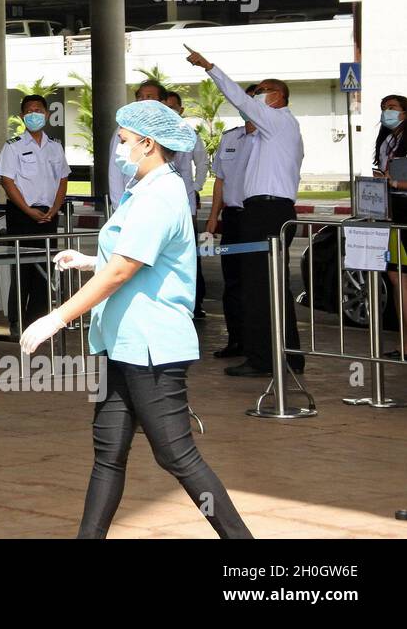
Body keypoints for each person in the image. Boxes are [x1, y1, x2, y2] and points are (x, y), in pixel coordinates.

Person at [22, 100, 252, 539]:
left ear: (148, 144)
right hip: (121, 343)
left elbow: (126, 269)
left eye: (124, 141)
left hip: (151, 347)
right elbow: (132, 257)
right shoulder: (142, 190)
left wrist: (58, 317)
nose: (118, 149)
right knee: (108, 453)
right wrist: (92, 260)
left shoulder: (162, 194)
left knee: (176, 456)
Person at [185, 47, 305, 377]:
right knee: (274, 287)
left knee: (258, 287)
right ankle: (289, 357)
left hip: (267, 212)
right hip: (268, 210)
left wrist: (209, 66)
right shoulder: (272, 132)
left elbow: (239, 98)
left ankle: (262, 360)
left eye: (264, 91)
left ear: (278, 96)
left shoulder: (277, 121)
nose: (258, 97)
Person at [0, 95, 70, 331]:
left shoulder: (55, 146)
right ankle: (17, 320)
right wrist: (28, 210)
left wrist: (54, 209)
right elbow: (8, 182)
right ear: (22, 117)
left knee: (45, 268)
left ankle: (38, 320)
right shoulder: (13, 146)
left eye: (38, 110)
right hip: (22, 215)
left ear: (47, 114)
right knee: (22, 269)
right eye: (29, 111)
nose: (34, 114)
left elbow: (62, 179)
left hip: (48, 215)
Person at [204, 85, 258, 359]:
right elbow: (220, 181)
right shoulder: (230, 138)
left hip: (258, 217)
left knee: (257, 283)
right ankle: (236, 340)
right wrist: (214, 216)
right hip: (234, 217)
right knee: (233, 283)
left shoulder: (268, 138)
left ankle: (257, 344)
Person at [163, 91, 210, 320]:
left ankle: (195, 301)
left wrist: (196, 187)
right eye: (166, 106)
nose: (170, 110)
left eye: (174, 107)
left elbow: (202, 162)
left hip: (185, 201)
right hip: (162, 202)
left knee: (190, 255)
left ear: (181, 110)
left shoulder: (190, 134)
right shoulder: (155, 133)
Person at [373, 94, 407, 358]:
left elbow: (397, 179)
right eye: (384, 108)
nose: (387, 112)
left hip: (405, 210)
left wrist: (393, 183)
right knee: (397, 277)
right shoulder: (387, 140)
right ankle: (403, 343)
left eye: (393, 108)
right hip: (392, 213)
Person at [105, 79, 167, 208]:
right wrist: (118, 207)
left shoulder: (170, 131)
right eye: (140, 97)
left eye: (149, 97)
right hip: (134, 201)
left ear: (163, 102)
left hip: (164, 199)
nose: (143, 101)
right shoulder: (125, 129)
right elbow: (115, 170)